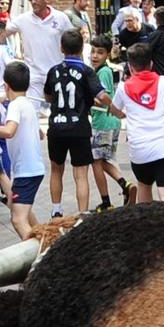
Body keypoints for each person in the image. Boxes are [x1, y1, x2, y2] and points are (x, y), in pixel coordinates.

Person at [109, 42, 164, 202]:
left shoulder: (123, 88)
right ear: (151, 64)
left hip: (139, 149)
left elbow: (113, 109)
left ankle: (146, 226)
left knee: (144, 187)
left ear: (131, 67)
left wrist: (124, 115)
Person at [43, 28, 105, 219]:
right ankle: (83, 212)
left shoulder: (53, 71)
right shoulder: (86, 71)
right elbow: (101, 96)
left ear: (61, 48)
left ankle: (56, 209)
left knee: (56, 169)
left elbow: (48, 96)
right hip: (79, 127)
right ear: (82, 49)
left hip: (57, 127)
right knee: (80, 173)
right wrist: (115, 109)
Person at [0, 62, 44, 240]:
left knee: (17, 219)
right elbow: (40, 134)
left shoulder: (15, 106)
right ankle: (47, 241)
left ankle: (41, 255)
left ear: (6, 85)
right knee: (19, 208)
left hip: (26, 171)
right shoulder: (27, 104)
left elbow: (9, 131)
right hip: (33, 169)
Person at [86, 35, 132, 210]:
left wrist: (86, 98)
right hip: (108, 122)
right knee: (102, 160)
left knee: (96, 162)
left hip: (103, 123)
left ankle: (106, 202)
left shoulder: (103, 72)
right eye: (93, 51)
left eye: (100, 52)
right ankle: (125, 185)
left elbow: (103, 97)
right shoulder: (100, 71)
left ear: (107, 55)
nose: (95, 56)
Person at [8, 0, 67, 107]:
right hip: (34, 74)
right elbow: (1, 32)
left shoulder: (61, 18)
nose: (33, 1)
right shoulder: (23, 19)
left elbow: (72, 39)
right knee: (33, 111)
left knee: (59, 110)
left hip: (56, 72)